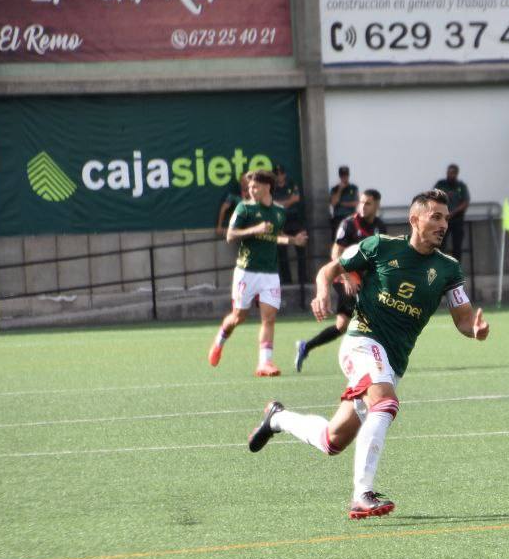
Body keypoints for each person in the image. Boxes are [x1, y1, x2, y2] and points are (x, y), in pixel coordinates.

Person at [248, 188, 490, 519]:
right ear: (414, 219)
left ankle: (276, 418)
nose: (443, 224)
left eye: (446, 218)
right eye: (436, 217)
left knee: (331, 440)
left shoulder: (448, 269)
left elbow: (463, 319)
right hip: (361, 342)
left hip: (392, 363)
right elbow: (329, 270)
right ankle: (362, 494)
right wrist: (322, 293)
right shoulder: (380, 246)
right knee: (386, 403)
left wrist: (475, 331)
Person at [208, 170, 308, 376]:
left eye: (255, 187)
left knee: (269, 318)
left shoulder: (279, 212)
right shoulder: (244, 208)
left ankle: (265, 363)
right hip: (246, 271)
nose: (251, 191)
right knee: (238, 317)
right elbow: (230, 235)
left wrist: (292, 240)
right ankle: (219, 341)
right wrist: (254, 229)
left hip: (270, 273)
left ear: (267, 187)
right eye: (249, 187)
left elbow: (275, 236)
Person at [295, 189, 386, 373]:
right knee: (371, 317)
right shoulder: (349, 224)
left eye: (367, 203)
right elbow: (336, 253)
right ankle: (373, 362)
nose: (362, 206)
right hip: (344, 278)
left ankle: (306, 346)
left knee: (341, 325)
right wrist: (347, 278)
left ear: (377, 205)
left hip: (363, 281)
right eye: (361, 202)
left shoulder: (380, 227)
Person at [271, 164, 305, 285]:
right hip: (281, 222)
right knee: (282, 253)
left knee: (301, 250)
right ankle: (287, 281)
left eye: (281, 173)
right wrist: (288, 201)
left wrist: (282, 203)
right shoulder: (272, 187)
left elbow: (296, 198)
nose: (279, 176)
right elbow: (272, 203)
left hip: (295, 220)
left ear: (284, 174)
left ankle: (303, 280)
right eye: (277, 174)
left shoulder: (291, 184)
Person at [434, 164, 470, 260]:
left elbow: (465, 202)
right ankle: (441, 269)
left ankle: (455, 271)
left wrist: (453, 213)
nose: (450, 175)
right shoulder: (441, 184)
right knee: (440, 245)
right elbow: (433, 198)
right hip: (442, 221)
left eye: (452, 173)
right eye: (449, 173)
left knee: (457, 247)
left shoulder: (461, 186)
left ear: (456, 174)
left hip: (457, 220)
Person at [329, 166, 358, 239]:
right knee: (338, 239)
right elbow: (333, 204)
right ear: (340, 176)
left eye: (346, 175)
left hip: (350, 217)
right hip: (338, 218)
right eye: (342, 176)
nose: (344, 178)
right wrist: (339, 190)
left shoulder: (353, 188)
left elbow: (355, 203)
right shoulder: (334, 189)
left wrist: (341, 204)